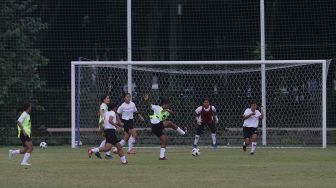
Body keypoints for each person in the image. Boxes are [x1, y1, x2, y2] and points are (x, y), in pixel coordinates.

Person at [144, 94, 187, 160]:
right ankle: (183, 133)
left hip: (157, 127)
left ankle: (161, 156)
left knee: (165, 140)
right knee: (169, 123)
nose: (168, 106)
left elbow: (163, 119)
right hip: (154, 125)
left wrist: (169, 112)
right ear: (163, 104)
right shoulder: (157, 107)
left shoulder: (167, 112)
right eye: (167, 105)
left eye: (168, 105)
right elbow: (149, 105)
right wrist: (147, 100)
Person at [98, 95, 113, 159]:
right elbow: (101, 111)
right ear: (104, 100)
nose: (108, 99)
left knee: (107, 139)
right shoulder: (103, 105)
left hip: (105, 124)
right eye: (107, 98)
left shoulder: (105, 105)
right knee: (109, 139)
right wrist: (103, 119)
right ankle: (107, 154)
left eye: (109, 98)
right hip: (104, 124)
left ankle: (97, 151)